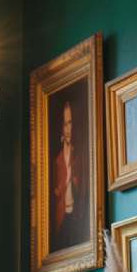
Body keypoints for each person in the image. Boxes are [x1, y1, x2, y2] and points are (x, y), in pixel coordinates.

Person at [51, 100, 87, 251]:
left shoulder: (78, 156)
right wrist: (63, 184)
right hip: (61, 218)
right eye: (65, 124)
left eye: (70, 123)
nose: (68, 129)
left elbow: (83, 188)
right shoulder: (57, 160)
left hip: (77, 217)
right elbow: (55, 192)